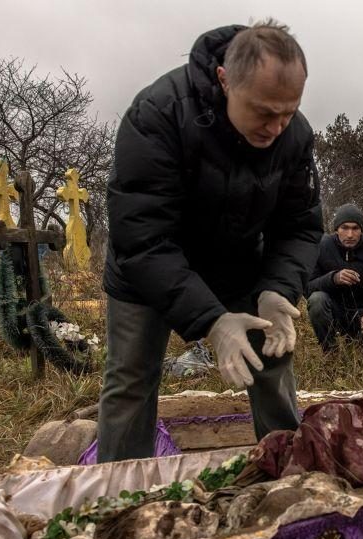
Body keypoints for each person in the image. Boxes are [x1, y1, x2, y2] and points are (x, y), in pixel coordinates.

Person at [98, 21, 322, 462]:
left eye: (288, 112)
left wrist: (278, 289)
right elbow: (142, 240)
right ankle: (118, 493)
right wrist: (212, 321)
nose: (276, 127)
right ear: (224, 79)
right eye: (263, 112)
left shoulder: (293, 134)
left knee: (272, 356)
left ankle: (284, 470)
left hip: (237, 261)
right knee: (131, 378)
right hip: (148, 267)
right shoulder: (157, 115)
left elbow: (300, 225)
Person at [306, 203, 363, 351]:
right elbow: (307, 287)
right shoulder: (321, 247)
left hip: (361, 312)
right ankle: (330, 349)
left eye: (355, 228)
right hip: (333, 311)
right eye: (344, 228)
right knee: (316, 300)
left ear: (361, 230)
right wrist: (334, 279)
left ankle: (357, 345)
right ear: (336, 229)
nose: (350, 234)